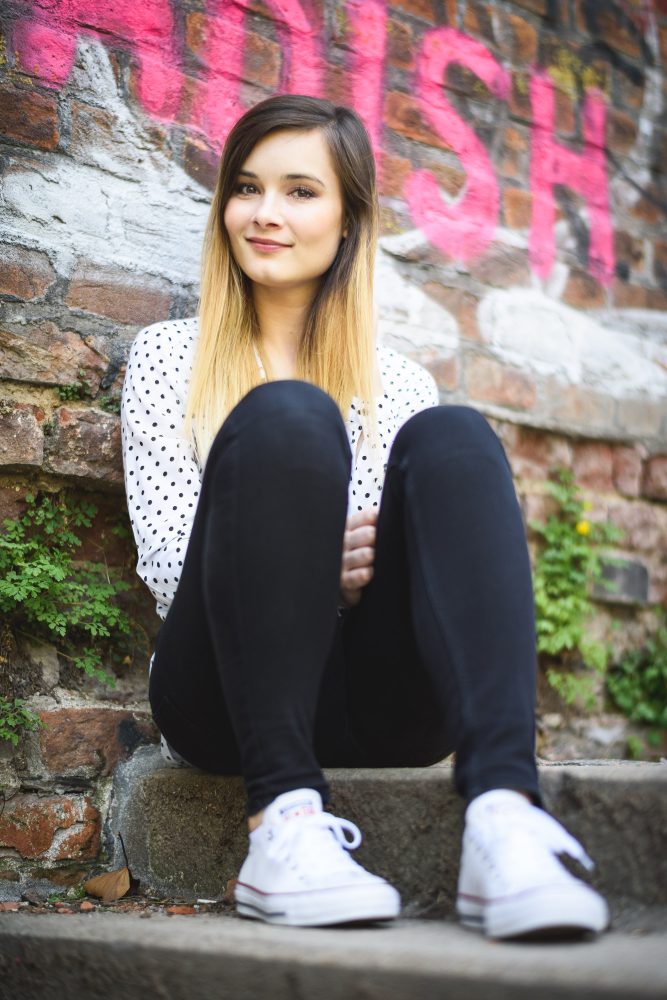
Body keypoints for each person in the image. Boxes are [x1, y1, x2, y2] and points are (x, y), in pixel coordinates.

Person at [120, 94, 609, 938]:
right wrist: (314, 561)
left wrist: (350, 573)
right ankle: (281, 824)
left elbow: (410, 567)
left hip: (379, 702)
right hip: (222, 698)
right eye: (247, 187)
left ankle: (503, 817)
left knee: (456, 435)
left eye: (300, 191)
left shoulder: (400, 383)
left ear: (347, 220)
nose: (264, 213)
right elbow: (168, 564)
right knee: (288, 416)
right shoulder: (170, 357)